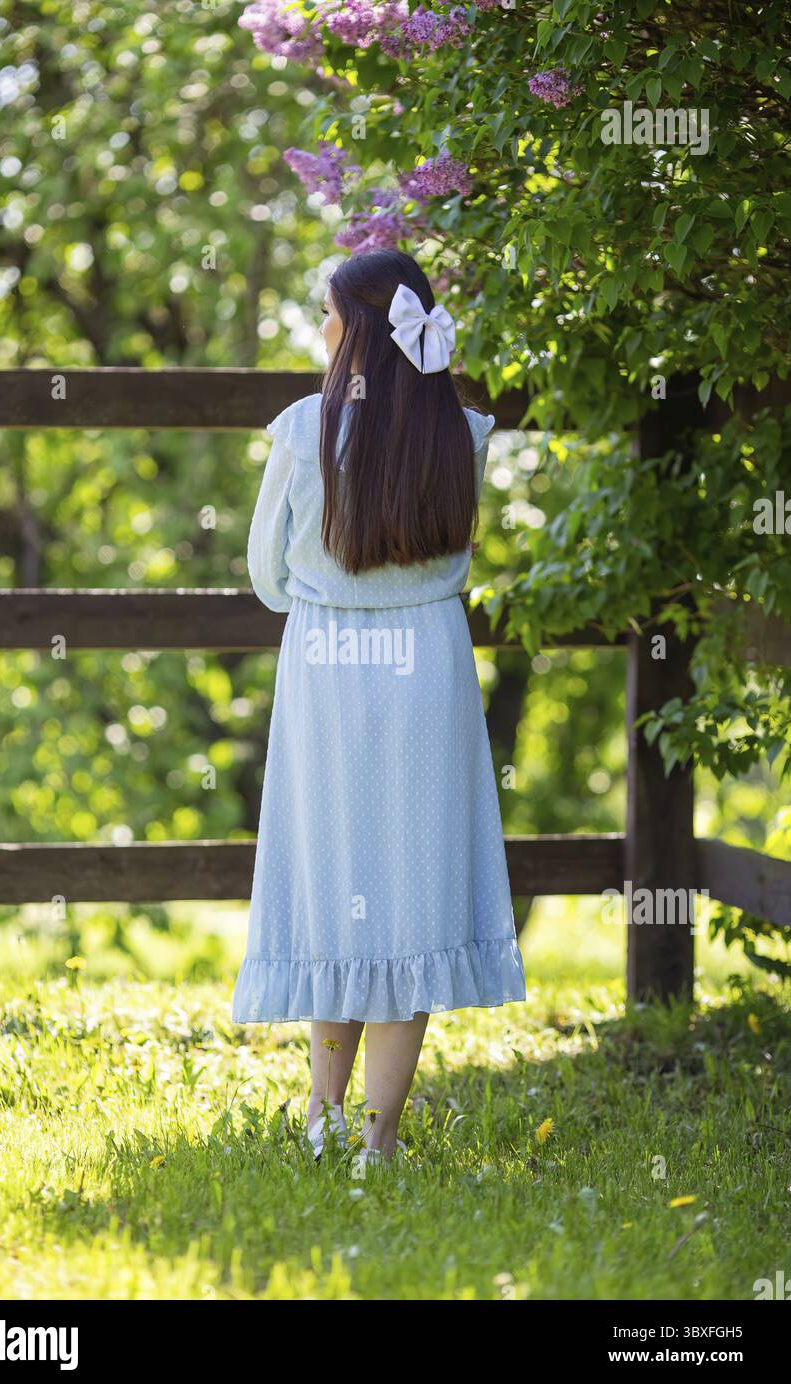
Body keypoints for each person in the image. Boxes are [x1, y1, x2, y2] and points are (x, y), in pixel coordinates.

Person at [232, 247, 526, 1164]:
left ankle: (321, 1121)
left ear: (353, 328)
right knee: (416, 897)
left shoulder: (298, 430)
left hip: (326, 672)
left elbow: (265, 579)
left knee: (333, 889)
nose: (319, 331)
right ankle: (379, 1137)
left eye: (326, 314)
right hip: (427, 675)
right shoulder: (464, 433)